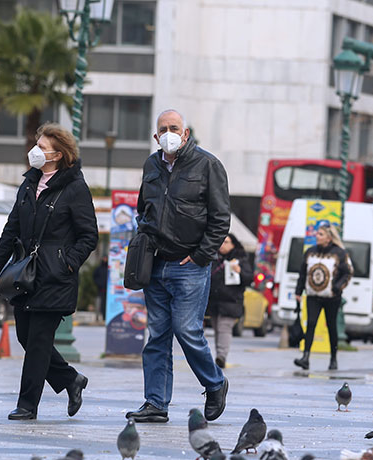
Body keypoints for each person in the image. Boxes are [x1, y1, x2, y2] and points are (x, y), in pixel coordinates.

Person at [0, 123, 98, 420]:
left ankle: (27, 405)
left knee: (39, 342)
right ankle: (70, 380)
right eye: (37, 145)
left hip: (55, 276)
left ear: (58, 154)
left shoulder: (75, 187)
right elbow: (12, 229)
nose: (35, 151)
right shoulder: (29, 183)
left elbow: (89, 236)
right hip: (25, 274)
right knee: (25, 336)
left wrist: (66, 263)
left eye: (42, 147)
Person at [125, 109, 231, 424]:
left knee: (187, 331)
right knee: (157, 335)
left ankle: (215, 383)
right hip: (155, 264)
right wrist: (144, 239)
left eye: (175, 127)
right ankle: (156, 403)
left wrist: (201, 255)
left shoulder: (208, 165)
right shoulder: (151, 165)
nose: (169, 133)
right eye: (163, 129)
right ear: (156, 137)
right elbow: (143, 208)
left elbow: (220, 217)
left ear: (185, 134)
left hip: (190, 265)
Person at [293, 222, 351, 371]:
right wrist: (298, 291)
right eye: (317, 234)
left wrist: (337, 287)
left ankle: (333, 358)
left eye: (320, 234)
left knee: (331, 327)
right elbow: (303, 272)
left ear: (329, 238)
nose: (317, 236)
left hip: (332, 297)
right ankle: (305, 357)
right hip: (313, 295)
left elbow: (348, 272)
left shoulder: (339, 253)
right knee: (311, 324)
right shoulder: (310, 252)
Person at [207, 234, 253, 368]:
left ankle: (221, 356)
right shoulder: (214, 257)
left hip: (231, 300)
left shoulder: (240, 259)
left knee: (224, 328)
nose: (223, 245)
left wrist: (239, 271)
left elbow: (249, 278)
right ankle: (219, 355)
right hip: (215, 300)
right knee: (217, 328)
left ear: (233, 244)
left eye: (226, 242)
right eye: (221, 242)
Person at [92, 256, 108, 322]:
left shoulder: (109, 268)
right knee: (98, 304)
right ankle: (97, 317)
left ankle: (104, 317)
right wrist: (99, 283)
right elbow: (94, 277)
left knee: (105, 304)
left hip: (107, 291)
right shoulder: (98, 269)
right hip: (100, 289)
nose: (105, 260)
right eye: (104, 258)